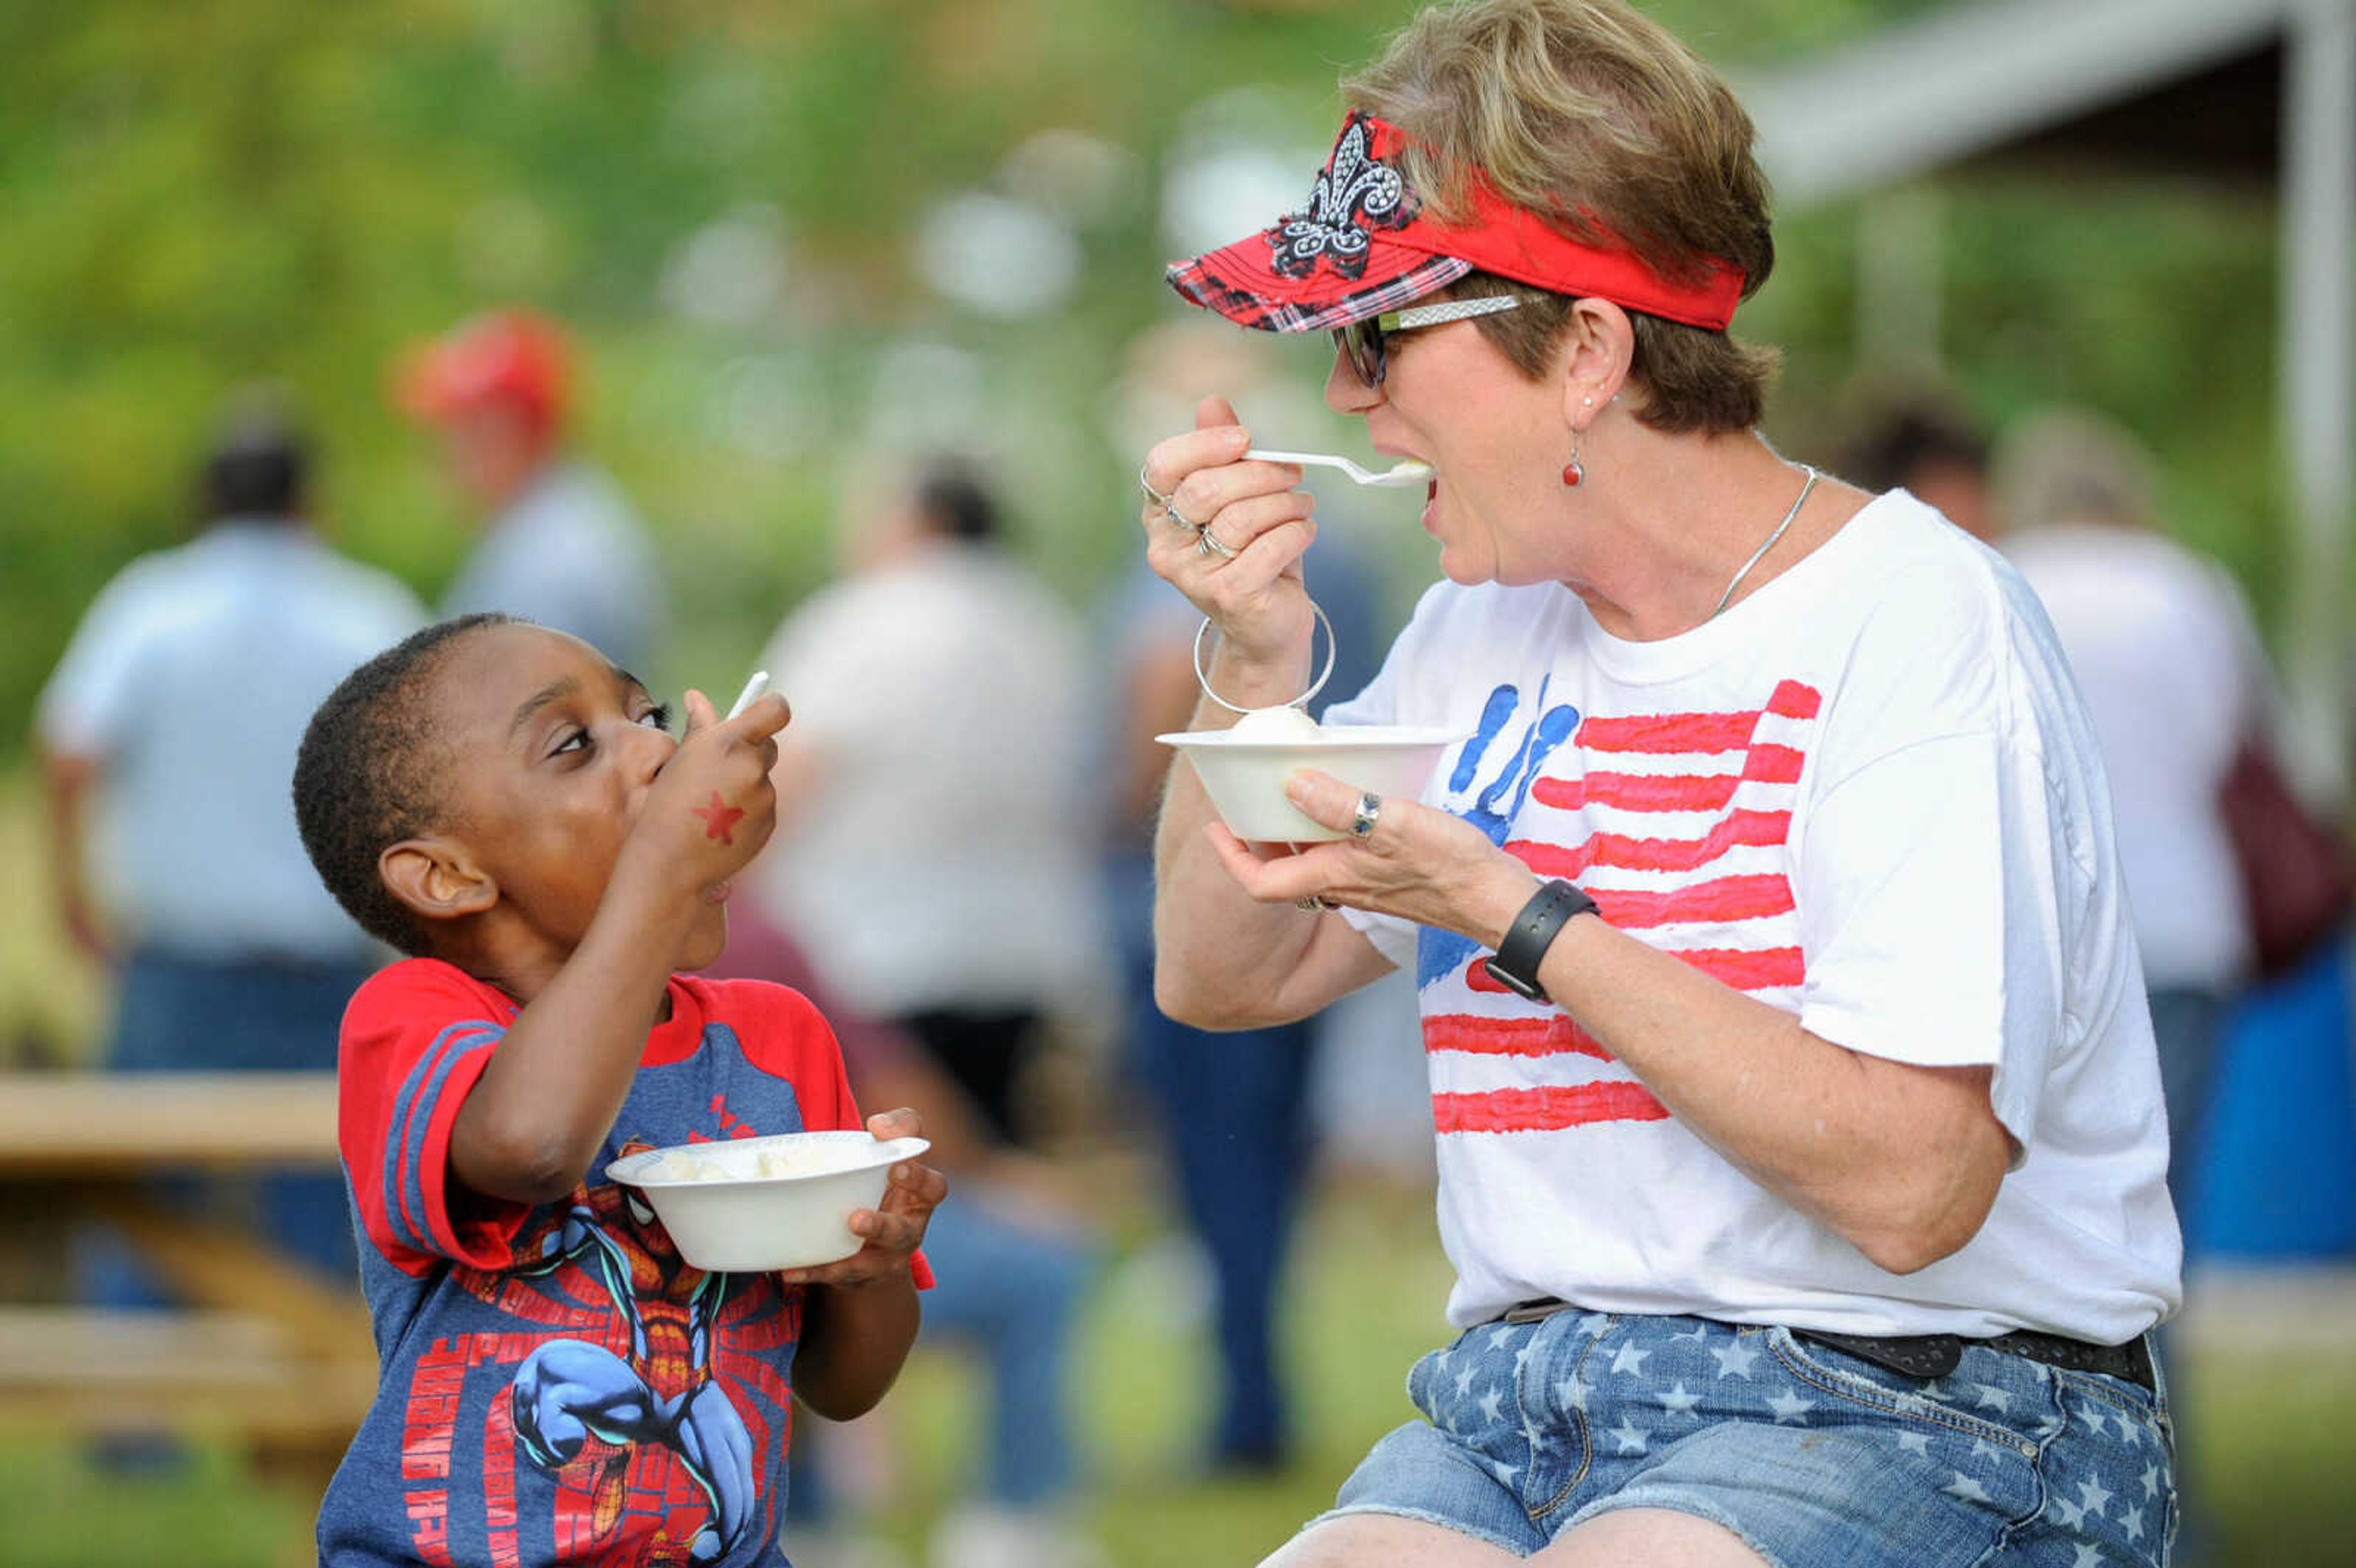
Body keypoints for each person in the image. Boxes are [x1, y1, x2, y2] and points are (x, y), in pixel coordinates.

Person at [1138, 4, 2181, 1566]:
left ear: (1585, 352)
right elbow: (1218, 978)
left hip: (1931, 1405)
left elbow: (1915, 1186)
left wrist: (1509, 911)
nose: (1348, 400)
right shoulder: (1469, 628)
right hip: (1523, 1402)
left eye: (1378, 335)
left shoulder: (1910, 621)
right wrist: (1251, 657)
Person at [289, 613, 942, 1566]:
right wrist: (667, 866)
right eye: (574, 744)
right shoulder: (411, 1022)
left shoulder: (774, 1038)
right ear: (446, 876)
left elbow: (843, 1387)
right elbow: (534, 1146)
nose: (655, 750)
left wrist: (873, 1265)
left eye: (649, 715)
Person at [36, 398, 425, 1305]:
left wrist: (74, 898)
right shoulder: (366, 611)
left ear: (203, 500)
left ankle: (134, 1432)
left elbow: (70, 750)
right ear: (310, 502)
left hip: (176, 963)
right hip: (327, 965)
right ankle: (314, 1429)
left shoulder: (150, 605)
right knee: (327, 1215)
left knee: (140, 1196)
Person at [1100, 318, 1404, 1474]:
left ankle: (1245, 1414)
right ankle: (1258, 1399)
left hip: (1211, 878)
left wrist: (1105, 812)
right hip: (1325, 884)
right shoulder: (1362, 550)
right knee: (1269, 1166)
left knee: (1218, 1167)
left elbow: (1148, 698)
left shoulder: (1217, 541)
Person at [1995, 406, 2276, 1567]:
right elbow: (2238, 747)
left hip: (2040, 946)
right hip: (2186, 940)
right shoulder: (2186, 587)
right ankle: (2168, 1520)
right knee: (2151, 1254)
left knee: (2035, 1248)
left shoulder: (1998, 579)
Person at [706, 907, 1101, 1568]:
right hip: (776, 1254)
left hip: (761, 1243)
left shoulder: (745, 931)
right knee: (1039, 1269)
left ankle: (817, 1520)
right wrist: (996, 1175)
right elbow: (891, 1078)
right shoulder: (743, 931)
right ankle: (1013, 1522)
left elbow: (886, 1077)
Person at [751, 458, 1104, 1148]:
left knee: (887, 1175)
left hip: (875, 954)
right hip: (1022, 952)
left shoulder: (865, 618)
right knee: (994, 1159)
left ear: (920, 520)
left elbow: (791, 774)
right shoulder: (1048, 629)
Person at [399, 307, 666, 672]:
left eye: (456, 425)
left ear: (502, 427)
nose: (443, 448)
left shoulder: (545, 561)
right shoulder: (558, 520)